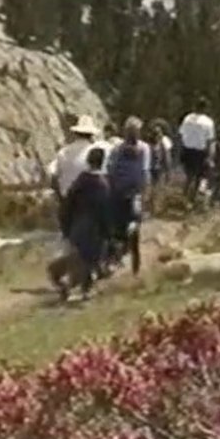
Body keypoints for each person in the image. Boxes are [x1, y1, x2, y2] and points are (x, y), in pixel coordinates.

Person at [50, 147, 110, 302]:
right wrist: (107, 232)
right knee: (88, 262)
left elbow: (67, 205)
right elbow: (105, 212)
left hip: (77, 226)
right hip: (95, 230)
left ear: (88, 160)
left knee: (75, 259)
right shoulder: (103, 185)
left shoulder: (80, 181)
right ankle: (82, 290)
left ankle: (67, 284)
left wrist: (65, 225)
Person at [106, 116, 151, 275]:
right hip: (134, 194)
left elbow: (110, 171)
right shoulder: (144, 149)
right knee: (134, 229)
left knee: (118, 230)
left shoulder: (117, 149)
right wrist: (146, 193)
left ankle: (115, 261)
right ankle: (135, 269)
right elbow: (145, 173)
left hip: (118, 193)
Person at [178, 97, 215, 202]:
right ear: (205, 108)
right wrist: (209, 156)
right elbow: (209, 140)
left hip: (187, 150)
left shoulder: (187, 118)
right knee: (199, 177)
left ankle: (183, 197)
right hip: (200, 152)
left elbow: (181, 134)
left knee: (188, 176)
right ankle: (192, 199)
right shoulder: (208, 122)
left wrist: (182, 148)